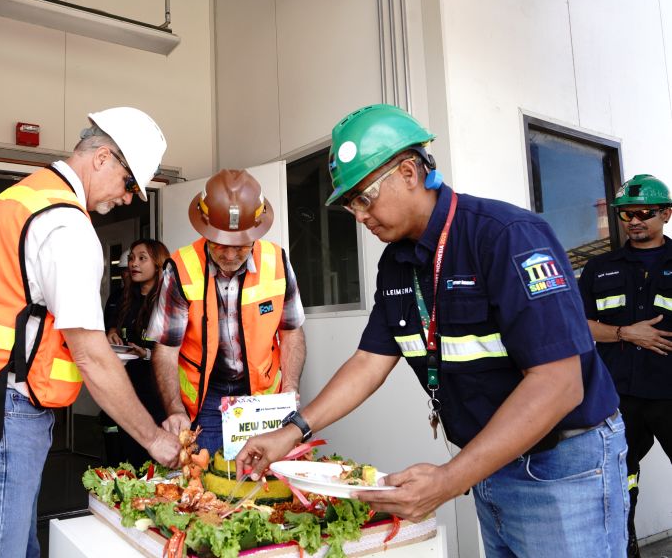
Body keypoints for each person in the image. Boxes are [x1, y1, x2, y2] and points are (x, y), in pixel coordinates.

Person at [236, 104, 627, 556]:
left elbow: (559, 385)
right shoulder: (397, 262)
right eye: (350, 205)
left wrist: (448, 479)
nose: (359, 217)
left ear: (408, 172)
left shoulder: (507, 237)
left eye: (364, 198)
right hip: (490, 463)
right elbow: (369, 361)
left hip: (562, 467)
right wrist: (292, 431)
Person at [0, 107, 182, 558]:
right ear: (104, 158)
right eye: (130, 185)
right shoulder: (65, 222)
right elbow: (89, 354)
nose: (129, 200)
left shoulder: (22, 197)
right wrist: (154, 438)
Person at [148, 169, 307, 456]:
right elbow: (166, 350)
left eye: (242, 246)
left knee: (263, 481)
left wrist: (290, 387)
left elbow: (292, 332)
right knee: (208, 481)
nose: (231, 256)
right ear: (205, 230)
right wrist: (174, 409)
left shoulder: (278, 262)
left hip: (262, 397)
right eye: (222, 244)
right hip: (206, 399)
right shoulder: (181, 268)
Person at [578, 174, 672, 558]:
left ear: (666, 214)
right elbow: (577, 327)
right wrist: (625, 333)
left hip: (669, 395)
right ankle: (624, 548)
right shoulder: (598, 268)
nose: (634, 220)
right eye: (626, 213)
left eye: (644, 212)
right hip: (617, 400)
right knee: (618, 479)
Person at [103, 239, 170, 466]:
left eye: (142, 258)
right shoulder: (124, 298)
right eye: (132, 258)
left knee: (151, 461)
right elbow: (112, 327)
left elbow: (176, 352)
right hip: (125, 386)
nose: (134, 263)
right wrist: (112, 333)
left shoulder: (169, 299)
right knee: (126, 455)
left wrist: (148, 355)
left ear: (158, 263)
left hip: (156, 392)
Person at [103, 248, 131, 331]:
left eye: (131, 270)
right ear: (121, 273)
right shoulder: (114, 297)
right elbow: (106, 324)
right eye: (126, 270)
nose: (130, 274)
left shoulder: (147, 297)